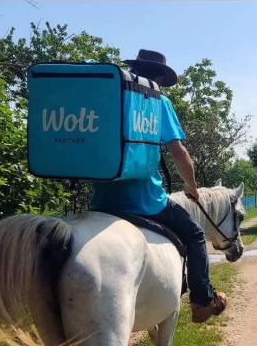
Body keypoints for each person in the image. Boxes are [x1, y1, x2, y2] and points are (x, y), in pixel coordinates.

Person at [90, 50, 227, 323]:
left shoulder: (108, 99)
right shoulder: (157, 102)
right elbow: (179, 153)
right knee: (196, 235)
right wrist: (192, 186)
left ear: (135, 70)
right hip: (145, 202)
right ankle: (201, 301)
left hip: (102, 201)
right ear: (160, 77)